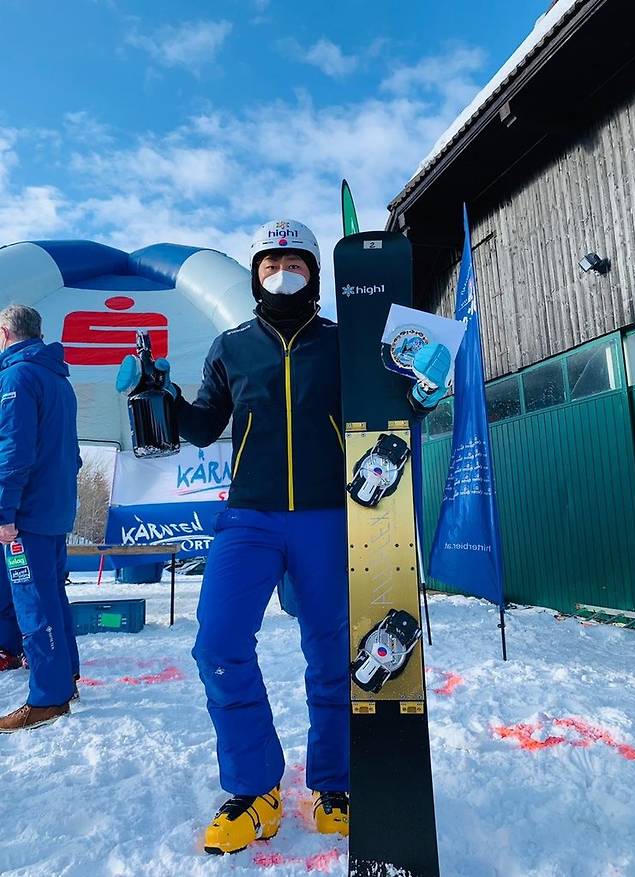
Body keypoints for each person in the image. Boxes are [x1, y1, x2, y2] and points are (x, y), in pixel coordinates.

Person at [117, 220, 445, 855]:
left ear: (315, 272)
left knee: (331, 655)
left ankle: (335, 785)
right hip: (249, 516)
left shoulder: (345, 340)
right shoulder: (231, 346)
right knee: (216, 642)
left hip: (329, 515)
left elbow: (393, 402)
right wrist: (157, 393)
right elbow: (203, 424)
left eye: (293, 262)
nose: (280, 274)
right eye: (269, 264)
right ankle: (254, 789)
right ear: (254, 273)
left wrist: (424, 389)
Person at [0, 305, 81, 732]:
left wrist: (4, 510)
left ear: (4, 333)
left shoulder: (17, 377)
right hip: (53, 511)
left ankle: (48, 698)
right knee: (52, 598)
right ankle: (65, 677)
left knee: (33, 603)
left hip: (26, 516)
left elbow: (14, 451)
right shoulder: (58, 378)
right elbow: (74, 453)